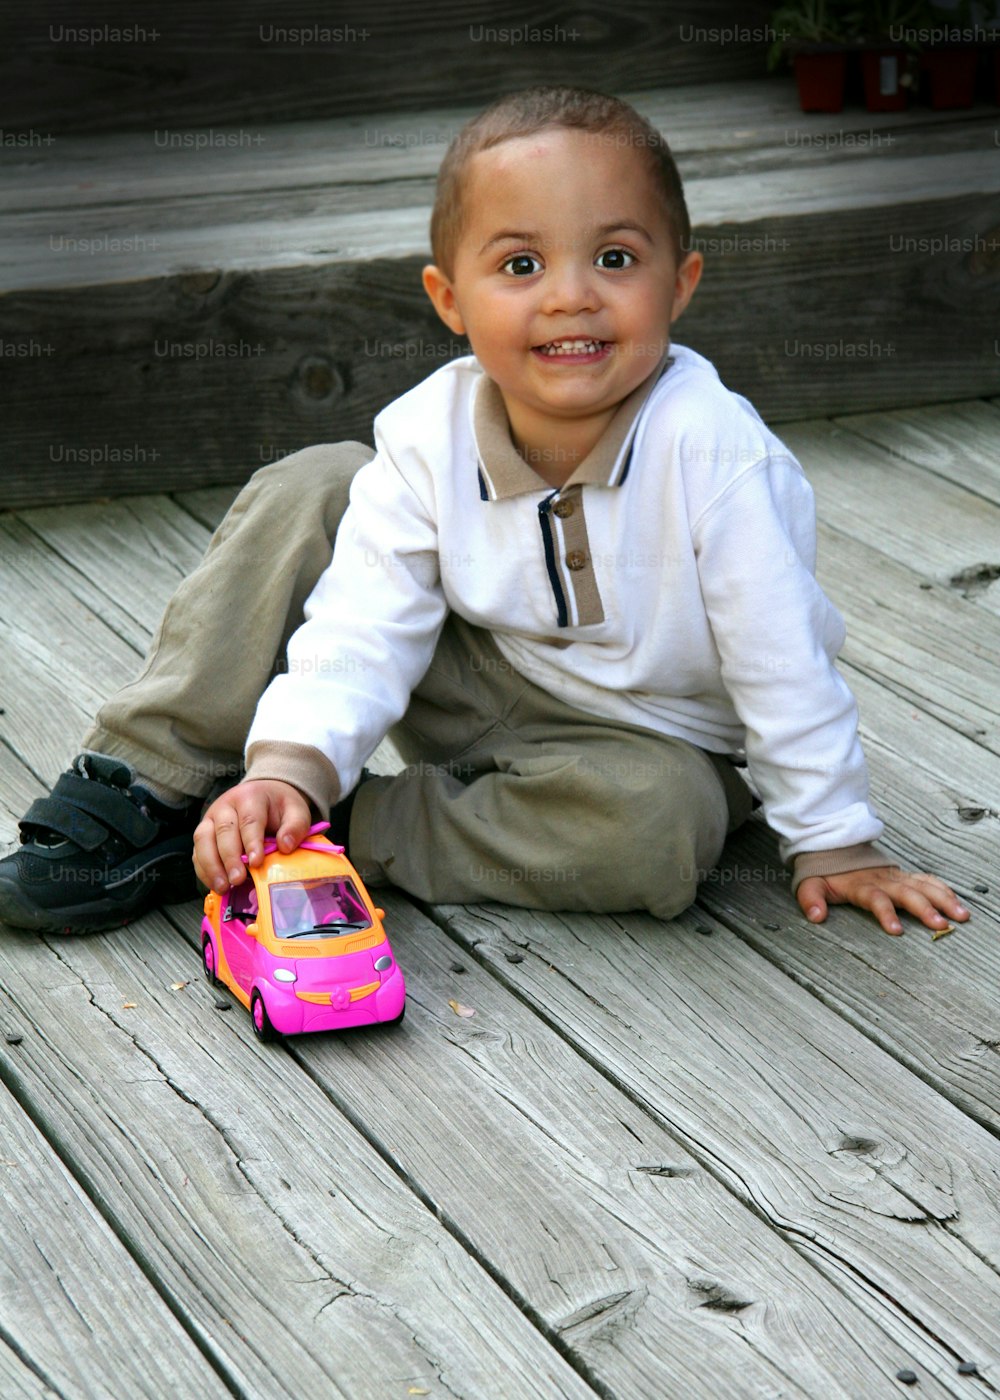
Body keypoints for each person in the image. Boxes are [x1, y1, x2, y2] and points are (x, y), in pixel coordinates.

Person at [0, 86, 968, 939]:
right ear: (448, 297)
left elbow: (781, 659)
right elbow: (363, 625)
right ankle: (155, 780)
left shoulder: (714, 452)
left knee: (662, 826)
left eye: (616, 256)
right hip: (466, 674)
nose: (570, 297)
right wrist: (293, 759)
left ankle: (319, 832)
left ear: (682, 281)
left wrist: (833, 839)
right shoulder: (427, 433)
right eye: (519, 266)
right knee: (317, 481)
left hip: (642, 740)